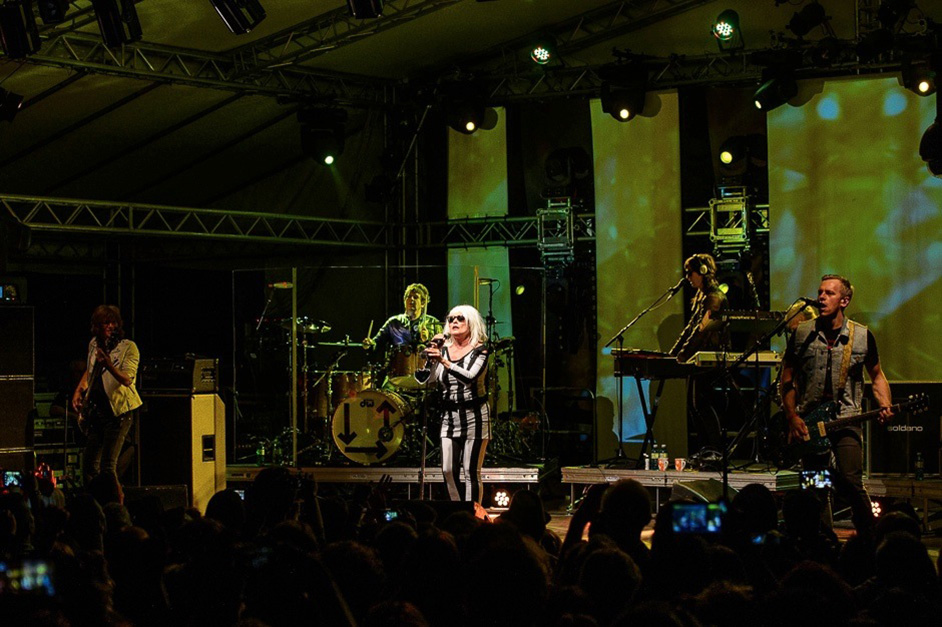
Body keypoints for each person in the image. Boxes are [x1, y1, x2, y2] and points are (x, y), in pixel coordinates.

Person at [781, 274, 893, 535]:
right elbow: (787, 376)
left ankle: (871, 536)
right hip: (810, 421)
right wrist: (792, 417)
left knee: (851, 480)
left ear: (845, 300)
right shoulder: (802, 333)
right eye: (820, 292)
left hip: (846, 418)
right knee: (815, 486)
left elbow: (877, 375)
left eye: (829, 293)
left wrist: (885, 403)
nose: (821, 297)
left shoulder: (862, 336)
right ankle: (821, 539)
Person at [416, 305, 489, 503]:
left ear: (471, 322)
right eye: (451, 319)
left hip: (474, 415)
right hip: (449, 417)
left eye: (460, 318)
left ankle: (472, 513)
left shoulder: (480, 350)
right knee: (448, 469)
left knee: (471, 471)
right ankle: (457, 509)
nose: (454, 322)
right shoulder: (443, 350)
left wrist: (443, 361)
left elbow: (469, 377)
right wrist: (431, 358)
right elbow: (426, 380)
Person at [71, 305, 142, 487]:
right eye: (104, 323)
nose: (110, 326)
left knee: (108, 466)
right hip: (98, 412)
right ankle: (98, 498)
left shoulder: (128, 347)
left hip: (118, 413)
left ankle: (116, 499)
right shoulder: (94, 344)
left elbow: (127, 379)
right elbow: (90, 370)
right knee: (89, 465)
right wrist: (79, 390)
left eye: (112, 322)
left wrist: (109, 365)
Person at [670, 253, 729, 458]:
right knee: (694, 405)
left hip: (709, 359)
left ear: (702, 272)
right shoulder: (701, 297)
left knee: (701, 404)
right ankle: (706, 449)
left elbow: (702, 331)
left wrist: (682, 355)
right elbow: (690, 328)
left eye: (690, 273)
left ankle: (715, 450)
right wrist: (673, 353)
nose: (687, 277)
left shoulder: (714, 298)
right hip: (698, 359)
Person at [364, 283, 444, 388]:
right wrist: (370, 344)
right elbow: (377, 343)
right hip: (398, 375)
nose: (411, 299)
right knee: (384, 394)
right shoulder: (394, 322)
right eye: (408, 297)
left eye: (415, 297)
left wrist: (427, 340)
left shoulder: (433, 324)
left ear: (423, 303)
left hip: (427, 376)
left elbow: (443, 351)